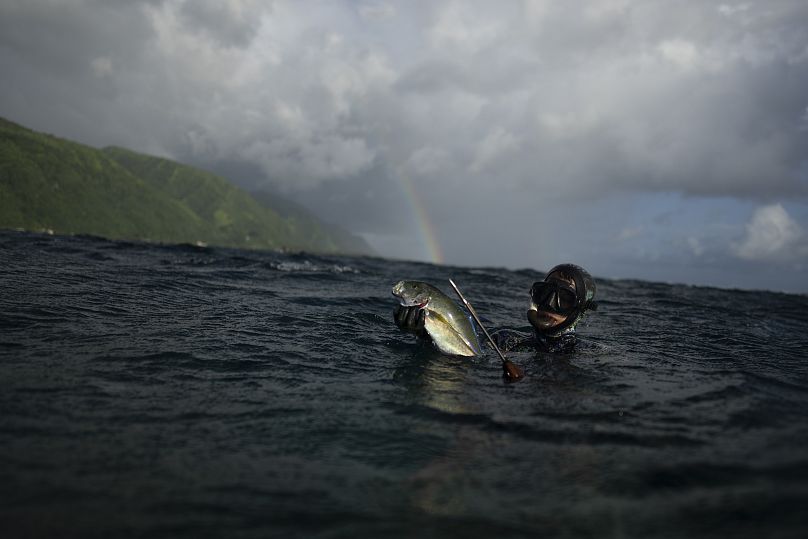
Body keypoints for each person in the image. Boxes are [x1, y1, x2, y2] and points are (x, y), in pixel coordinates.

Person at [394, 263, 597, 354]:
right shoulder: (504, 340)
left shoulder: (588, 354)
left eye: (564, 299)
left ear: (580, 311)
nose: (549, 304)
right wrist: (427, 335)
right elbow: (467, 357)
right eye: (544, 293)